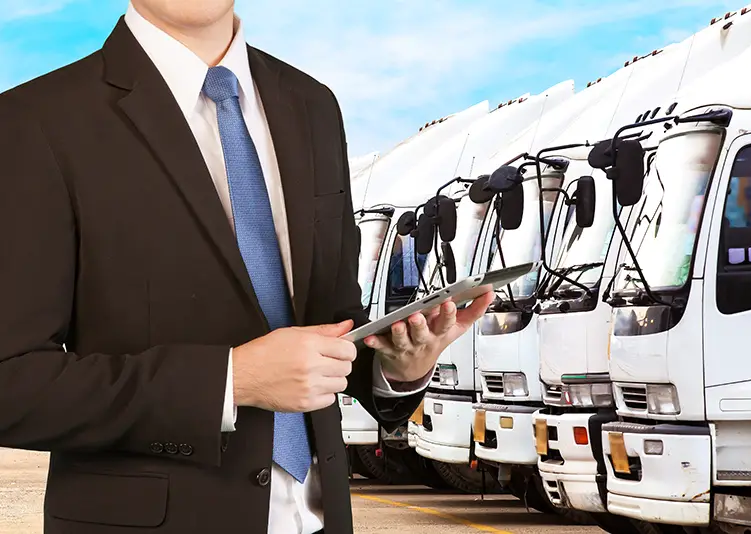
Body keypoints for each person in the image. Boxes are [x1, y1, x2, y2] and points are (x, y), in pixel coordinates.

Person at [0, 1, 494, 533]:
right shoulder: (36, 122)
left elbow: (331, 324)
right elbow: (11, 381)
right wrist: (231, 382)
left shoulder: (312, 107)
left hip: (319, 516)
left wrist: (400, 367)